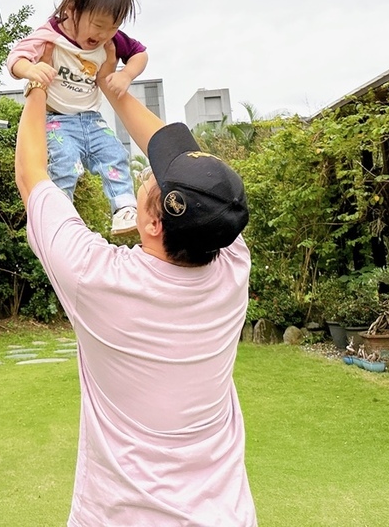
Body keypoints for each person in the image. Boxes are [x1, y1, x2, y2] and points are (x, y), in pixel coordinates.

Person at [14, 70, 257, 526]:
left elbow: (33, 176)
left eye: (148, 182)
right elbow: (172, 150)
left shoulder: (97, 279)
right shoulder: (232, 264)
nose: (145, 173)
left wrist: (38, 81)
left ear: (151, 224)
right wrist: (111, 85)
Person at [7, 0, 148, 235]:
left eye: (114, 27)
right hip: (57, 119)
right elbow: (15, 58)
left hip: (91, 118)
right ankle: (61, 219)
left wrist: (126, 74)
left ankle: (123, 209)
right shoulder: (50, 35)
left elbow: (141, 53)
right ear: (71, 10)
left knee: (115, 154)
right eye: (98, 25)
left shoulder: (112, 40)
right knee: (64, 163)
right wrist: (31, 69)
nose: (105, 35)